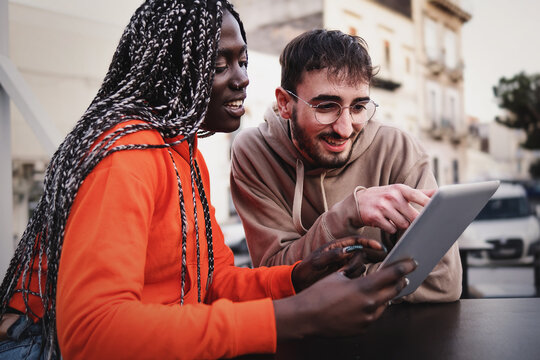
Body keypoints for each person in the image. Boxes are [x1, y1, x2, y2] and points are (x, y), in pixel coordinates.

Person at [0, 2, 417, 359]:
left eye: (242, 61)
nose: (242, 78)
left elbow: (214, 284)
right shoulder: (126, 159)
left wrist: (297, 278)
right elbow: (91, 334)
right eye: (218, 65)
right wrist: (295, 316)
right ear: (168, 70)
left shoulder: (183, 152)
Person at [230, 29, 462, 302]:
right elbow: (273, 279)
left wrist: (330, 286)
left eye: (358, 107)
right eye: (326, 106)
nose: (344, 129)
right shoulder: (254, 152)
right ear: (285, 104)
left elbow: (442, 281)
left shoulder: (398, 149)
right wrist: (347, 214)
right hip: (302, 339)